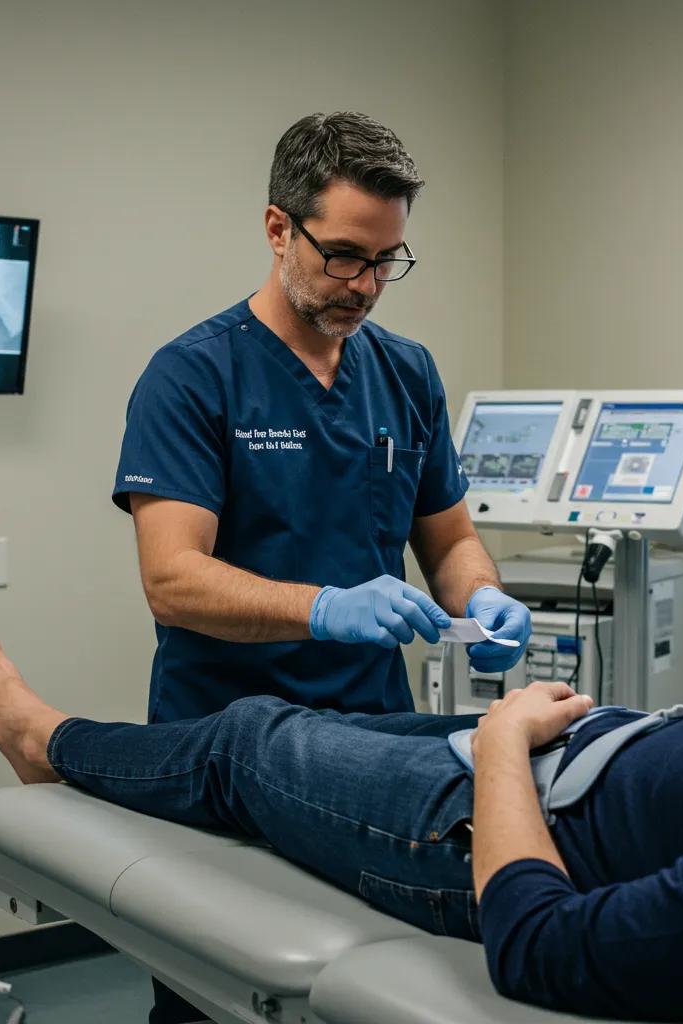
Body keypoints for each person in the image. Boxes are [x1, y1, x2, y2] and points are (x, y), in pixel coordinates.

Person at [114, 110, 533, 1022]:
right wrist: (323, 608)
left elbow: (450, 539)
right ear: (278, 228)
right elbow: (172, 579)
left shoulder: (406, 372)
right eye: (344, 254)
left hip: (376, 743)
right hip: (222, 744)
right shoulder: (193, 376)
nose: (367, 284)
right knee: (213, 994)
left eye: (388, 260)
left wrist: (485, 596)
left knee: (380, 986)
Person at [0, 633, 683, 1024]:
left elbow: (540, 943)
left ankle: (45, 742)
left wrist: (504, 745)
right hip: (588, 744)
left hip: (491, 818)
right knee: (297, 722)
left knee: (244, 743)